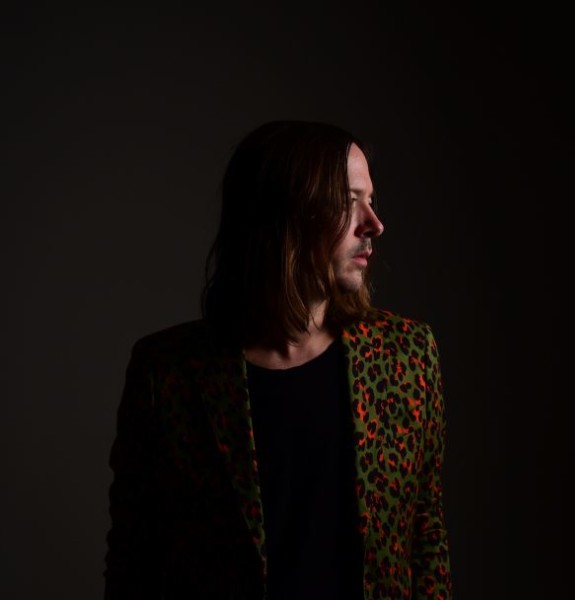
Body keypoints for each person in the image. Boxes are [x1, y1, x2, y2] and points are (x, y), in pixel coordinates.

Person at [103, 120, 452, 599]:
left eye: (371, 200)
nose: (374, 224)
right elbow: (135, 559)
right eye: (348, 202)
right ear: (286, 216)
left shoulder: (406, 356)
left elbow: (426, 536)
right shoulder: (169, 373)